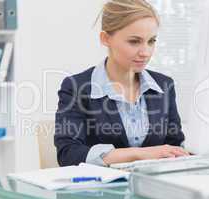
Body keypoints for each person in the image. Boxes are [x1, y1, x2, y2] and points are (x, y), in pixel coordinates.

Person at [54, 0, 189, 167]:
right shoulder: (77, 87)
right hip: (99, 190)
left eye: (151, 41)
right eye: (134, 41)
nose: (145, 52)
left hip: (153, 188)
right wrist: (140, 154)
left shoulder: (164, 85)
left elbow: (174, 146)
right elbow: (68, 154)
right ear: (105, 38)